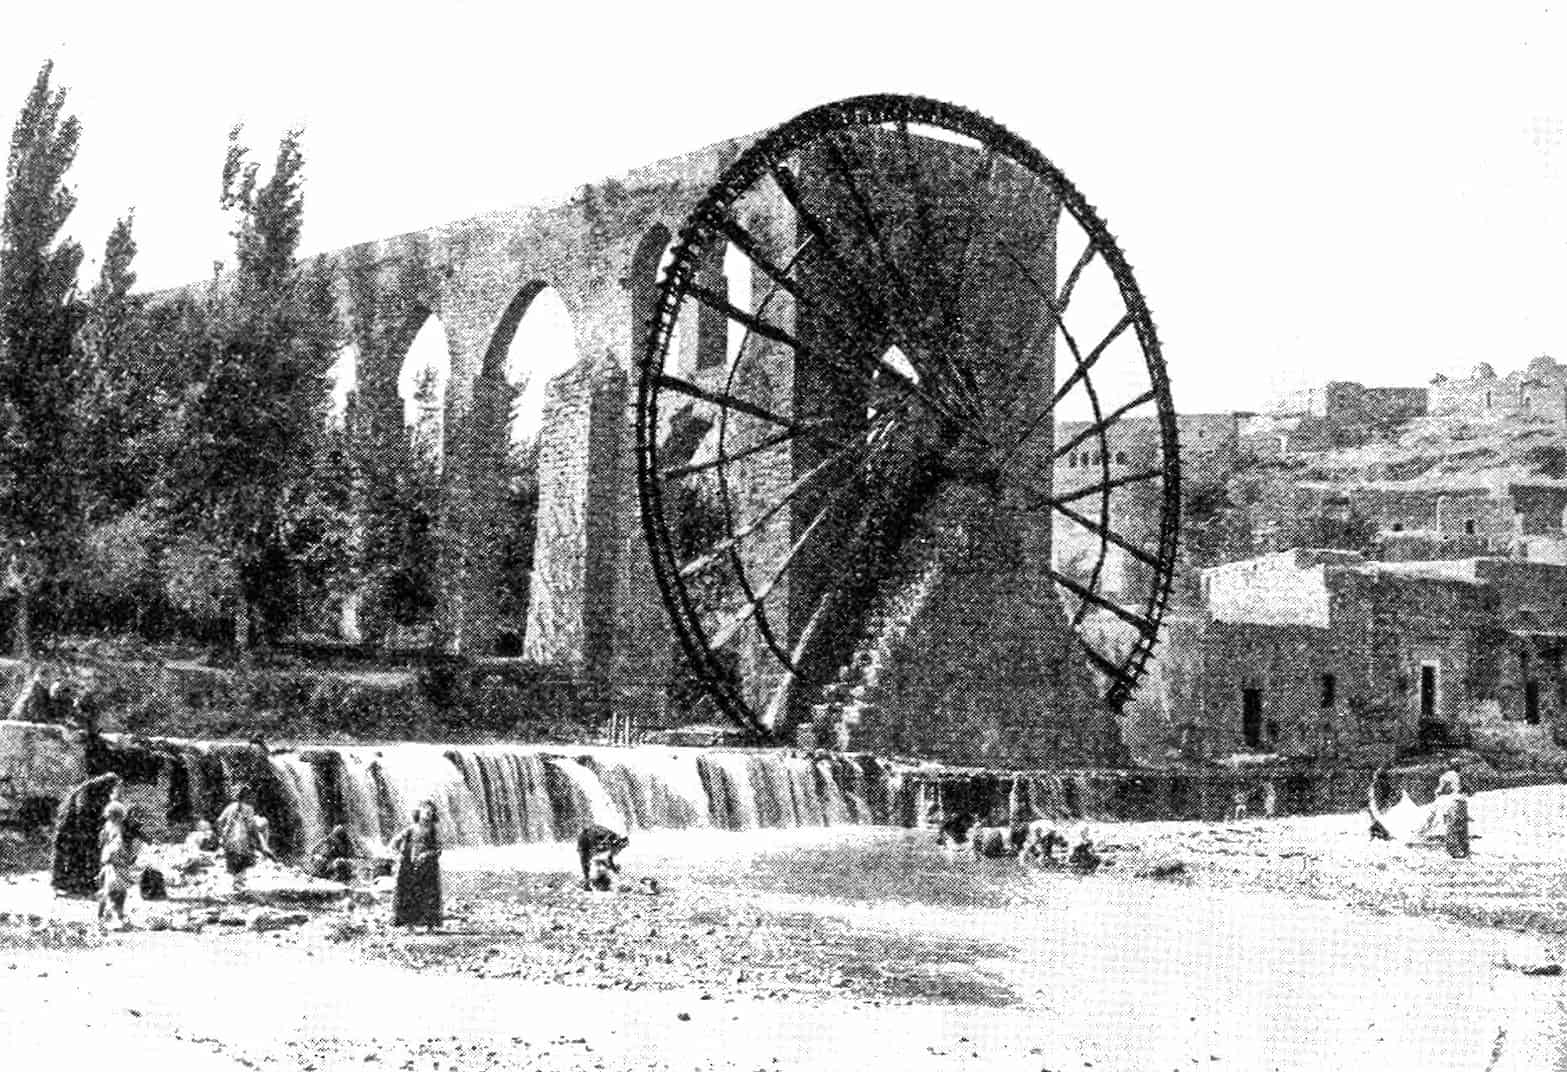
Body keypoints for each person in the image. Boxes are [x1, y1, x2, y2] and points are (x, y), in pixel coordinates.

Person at [51, 772, 123, 896]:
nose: (115, 792)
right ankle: (67, 883)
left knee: (89, 854)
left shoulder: (101, 794)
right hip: (72, 829)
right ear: (108, 785)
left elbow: (102, 814)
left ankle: (86, 883)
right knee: (74, 855)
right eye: (114, 788)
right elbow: (82, 812)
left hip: (83, 829)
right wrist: (90, 832)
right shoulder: (87, 791)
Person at [390, 802, 442, 931]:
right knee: (411, 894)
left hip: (429, 867)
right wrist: (398, 855)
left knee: (429, 894)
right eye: (425, 811)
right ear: (418, 813)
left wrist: (427, 854)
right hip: (411, 866)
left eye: (431, 812)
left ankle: (430, 926)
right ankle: (410, 925)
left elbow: (439, 848)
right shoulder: (411, 829)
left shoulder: (434, 830)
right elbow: (394, 843)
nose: (428, 814)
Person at [216, 784, 273, 893]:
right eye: (251, 796)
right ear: (248, 797)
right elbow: (251, 827)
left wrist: (221, 836)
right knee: (244, 861)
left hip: (229, 839)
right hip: (242, 840)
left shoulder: (231, 807)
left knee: (235, 861)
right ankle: (238, 884)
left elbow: (219, 821)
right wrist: (262, 843)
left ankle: (237, 883)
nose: (253, 798)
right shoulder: (249, 809)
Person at [97, 801, 141, 930]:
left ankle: (113, 917)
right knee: (113, 891)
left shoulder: (111, 826)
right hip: (115, 863)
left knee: (114, 891)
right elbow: (114, 845)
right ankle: (107, 917)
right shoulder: (114, 827)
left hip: (114, 862)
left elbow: (105, 843)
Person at [1421, 769, 1471, 859]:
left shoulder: (1446, 776)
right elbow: (1468, 790)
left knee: (1452, 827)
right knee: (1462, 827)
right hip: (1462, 801)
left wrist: (1438, 797)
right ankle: (1464, 850)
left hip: (1453, 802)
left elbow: (1439, 791)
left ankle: (1453, 850)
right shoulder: (1462, 775)